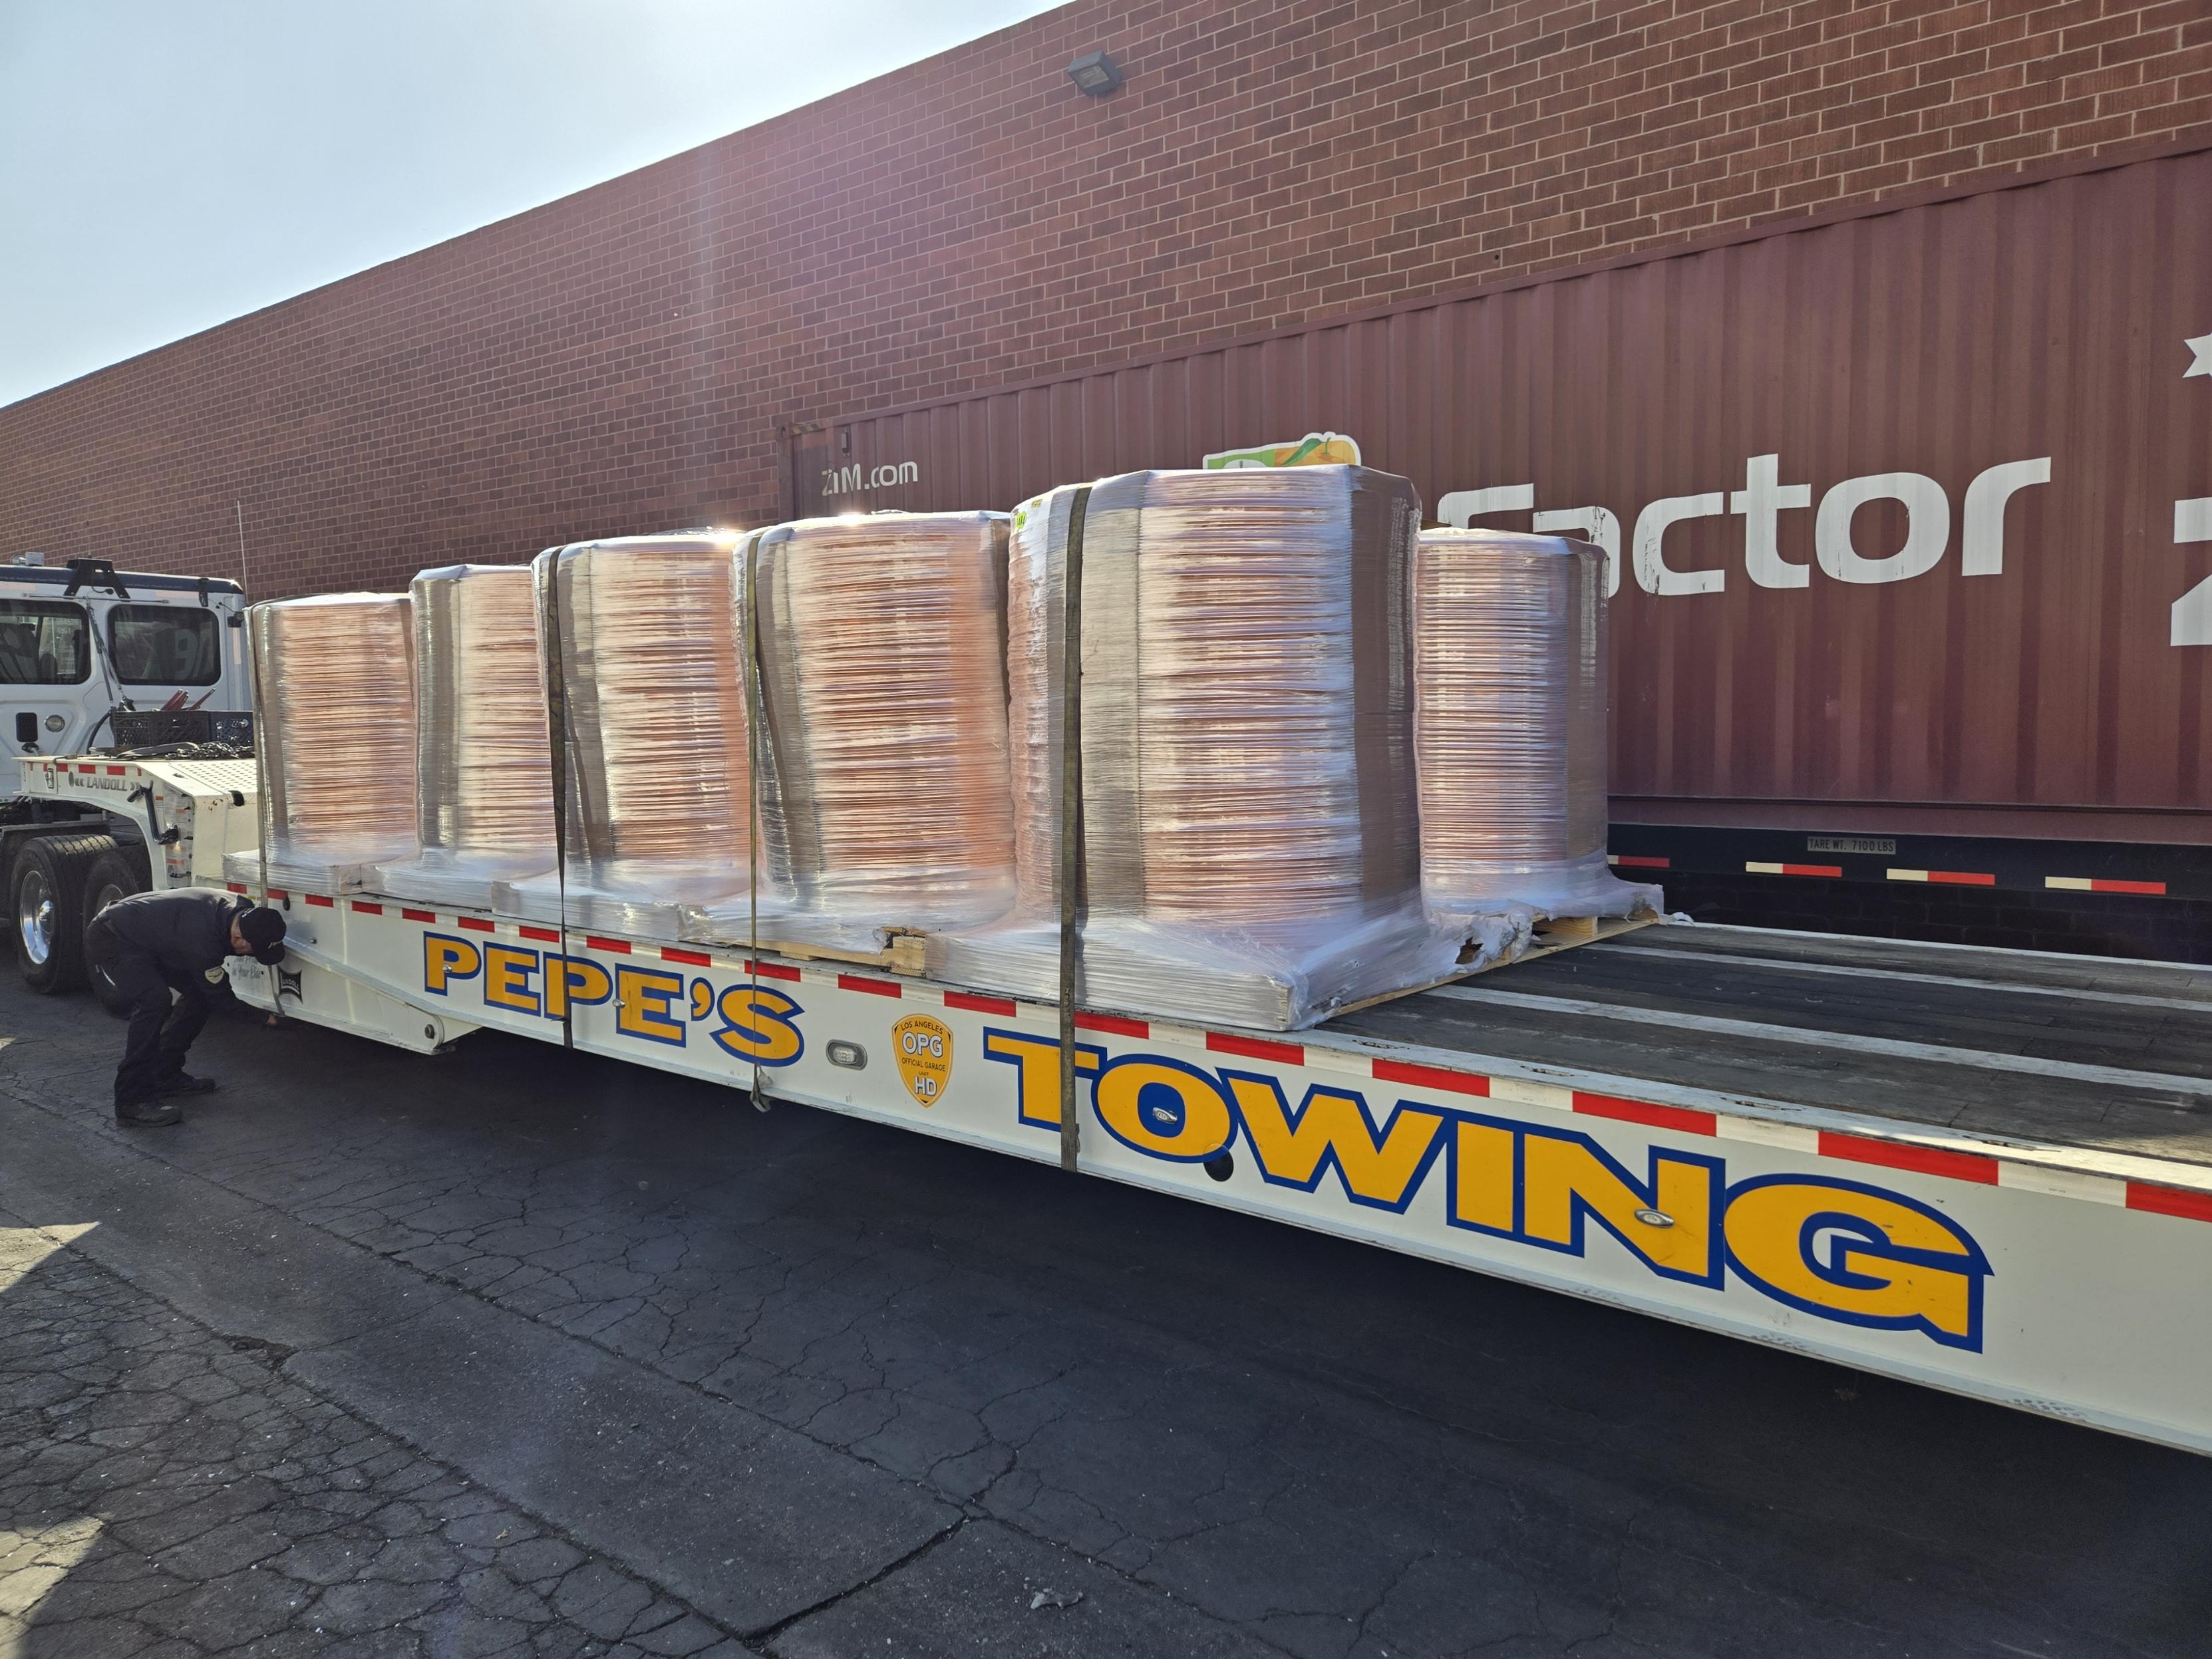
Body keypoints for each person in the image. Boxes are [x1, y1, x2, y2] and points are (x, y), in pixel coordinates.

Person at [82, 889, 287, 1126]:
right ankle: (130, 1101)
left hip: (147, 933)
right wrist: (267, 1020)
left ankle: (165, 1074)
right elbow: (222, 1000)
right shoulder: (205, 942)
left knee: (199, 995)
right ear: (239, 941)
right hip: (113, 936)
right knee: (154, 1002)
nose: (249, 957)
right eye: (253, 953)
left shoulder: (242, 909)